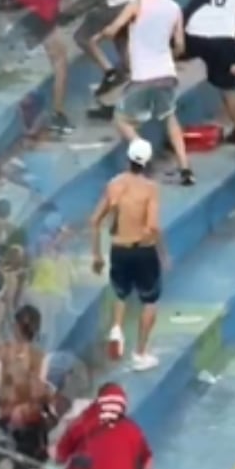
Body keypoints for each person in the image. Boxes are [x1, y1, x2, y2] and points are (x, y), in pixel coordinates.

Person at [90, 138, 165, 371]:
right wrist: (162, 251)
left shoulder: (114, 185)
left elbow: (94, 221)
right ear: (148, 161)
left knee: (121, 294)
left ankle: (117, 329)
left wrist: (97, 256)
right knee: (150, 301)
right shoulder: (150, 189)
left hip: (118, 249)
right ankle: (140, 354)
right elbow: (152, 226)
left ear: (128, 158)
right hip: (142, 250)